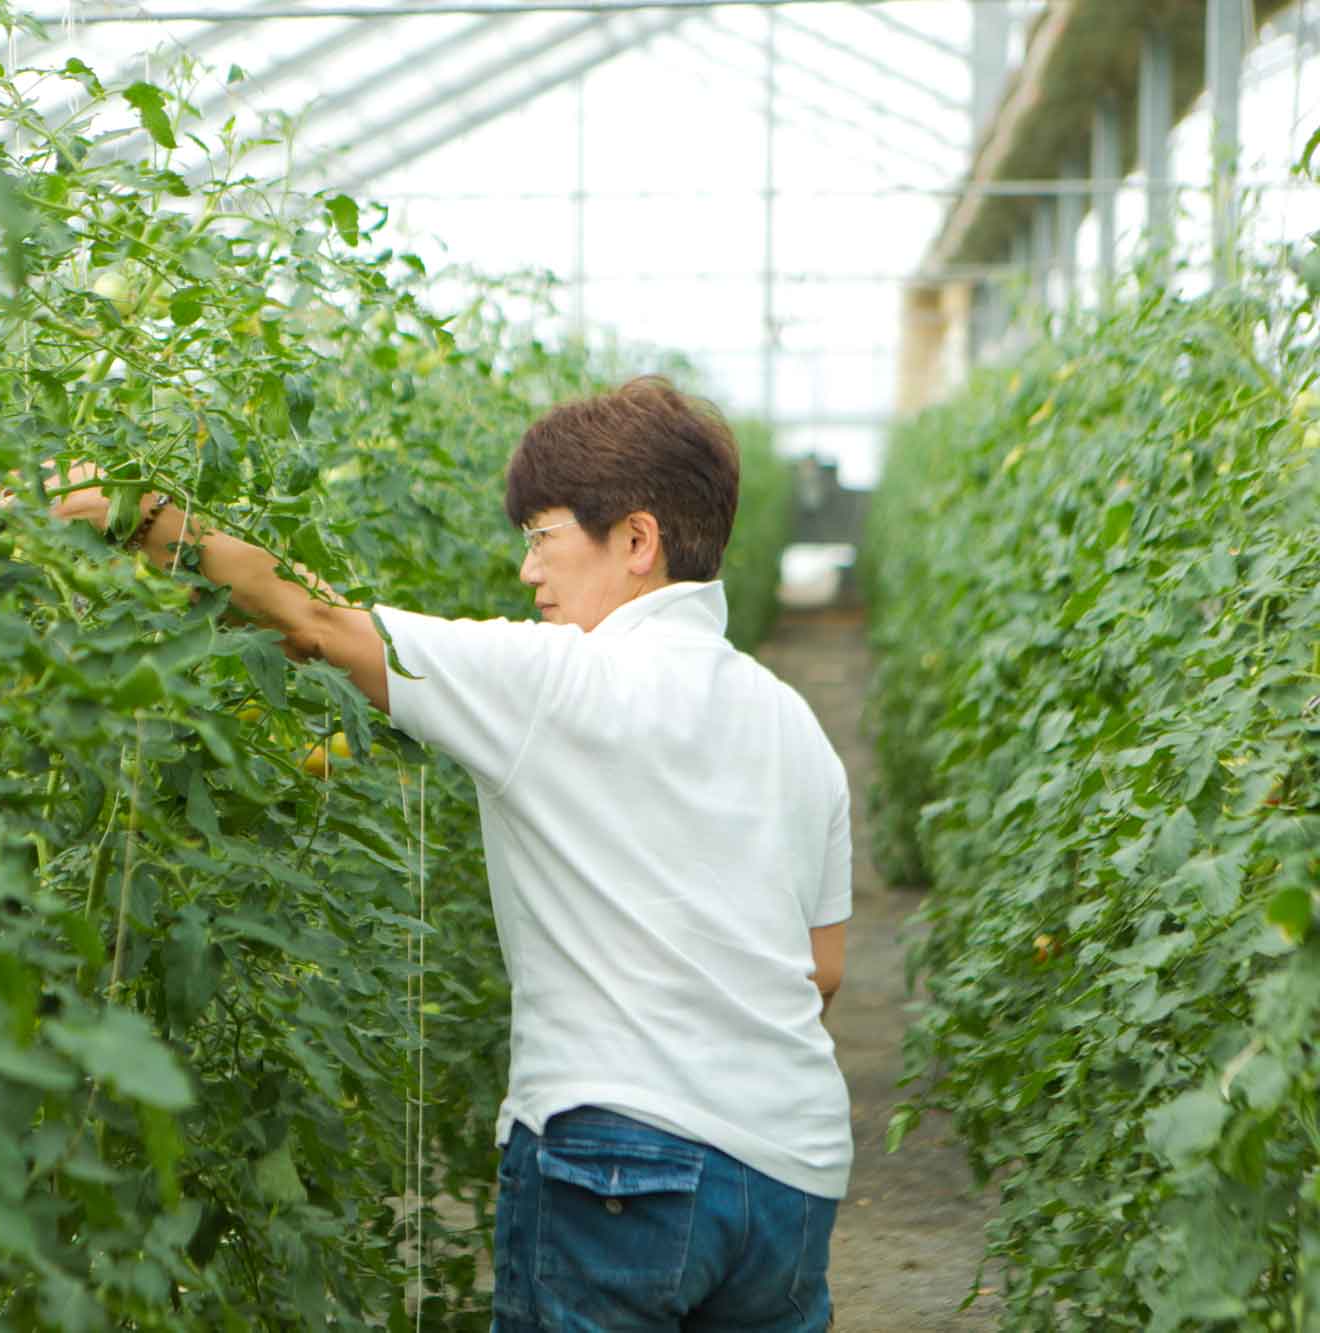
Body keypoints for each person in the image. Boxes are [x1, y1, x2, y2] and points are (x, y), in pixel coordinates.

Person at [43, 374, 852, 1331]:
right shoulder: (792, 724)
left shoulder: (554, 680)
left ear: (636, 541)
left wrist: (138, 513)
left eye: (544, 536)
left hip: (620, 1164)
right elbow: (824, 969)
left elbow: (311, 618)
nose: (528, 574)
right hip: (792, 1176)